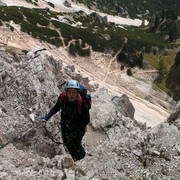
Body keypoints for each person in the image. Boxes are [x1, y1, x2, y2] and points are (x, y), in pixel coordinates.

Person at [41, 80, 90, 161]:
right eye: (69, 91)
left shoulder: (82, 103)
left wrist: (75, 133)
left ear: (77, 92)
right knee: (66, 141)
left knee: (76, 144)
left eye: (73, 92)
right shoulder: (62, 98)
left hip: (78, 126)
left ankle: (81, 158)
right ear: (66, 91)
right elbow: (56, 107)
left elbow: (86, 121)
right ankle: (72, 157)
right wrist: (47, 117)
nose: (71, 94)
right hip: (65, 123)